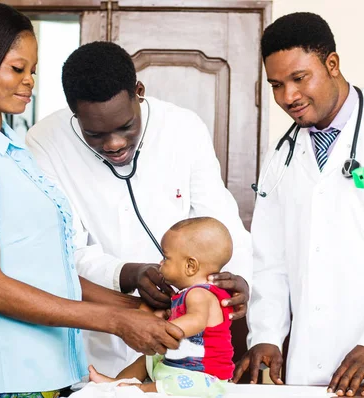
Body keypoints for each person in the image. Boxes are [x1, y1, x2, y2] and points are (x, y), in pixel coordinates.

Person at [0, 3, 183, 397]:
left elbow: (48, 273)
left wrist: (135, 309)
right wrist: (113, 321)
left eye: (32, 71)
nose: (29, 82)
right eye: (17, 69)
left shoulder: (13, 152)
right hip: (8, 376)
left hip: (50, 371)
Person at [233, 12, 364, 397]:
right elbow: (270, 258)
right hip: (309, 369)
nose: (288, 97)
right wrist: (266, 334)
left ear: (332, 64)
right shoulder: (280, 157)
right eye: (276, 85)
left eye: (299, 79)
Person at [26, 41, 252, 377]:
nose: (114, 144)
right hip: (98, 336)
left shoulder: (183, 128)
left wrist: (237, 278)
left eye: (125, 127)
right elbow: (63, 253)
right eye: (95, 134)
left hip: (184, 345)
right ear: (74, 113)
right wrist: (128, 273)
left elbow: (219, 218)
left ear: (139, 92)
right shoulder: (44, 142)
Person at [88, 217, 235, 397]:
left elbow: (196, 321)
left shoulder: (201, 293)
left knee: (178, 385)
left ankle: (138, 389)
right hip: (178, 364)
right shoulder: (183, 294)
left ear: (190, 266)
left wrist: (161, 328)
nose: (160, 262)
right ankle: (116, 383)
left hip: (204, 375)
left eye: (166, 257)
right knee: (145, 360)